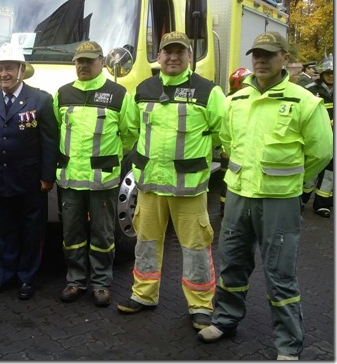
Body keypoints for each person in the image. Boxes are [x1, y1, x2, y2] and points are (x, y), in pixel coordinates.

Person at [197, 32, 333, 360]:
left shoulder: (305, 102)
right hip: (240, 196)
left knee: (280, 274)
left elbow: (322, 152)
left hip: (279, 202)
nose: (260, 60)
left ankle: (288, 345)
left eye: (268, 54)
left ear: (284, 59)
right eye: (256, 54)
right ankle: (226, 319)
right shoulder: (235, 102)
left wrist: (291, 182)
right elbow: (228, 143)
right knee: (232, 263)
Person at [116, 32, 225, 331]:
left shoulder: (208, 91)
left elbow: (221, 133)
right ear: (159, 56)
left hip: (188, 189)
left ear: (189, 56)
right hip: (150, 185)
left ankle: (201, 305)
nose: (173, 57)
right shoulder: (143, 89)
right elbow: (130, 131)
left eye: (180, 51)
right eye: (167, 52)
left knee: (196, 248)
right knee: (146, 244)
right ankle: (143, 295)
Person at [0, 43, 58, 300]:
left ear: (21, 70)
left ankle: (26, 278)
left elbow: (49, 140)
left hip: (31, 180)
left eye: (9, 68)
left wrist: (47, 176)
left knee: (31, 230)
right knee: (5, 229)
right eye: (0, 69)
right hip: (0, 178)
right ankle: (3, 276)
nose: (3, 74)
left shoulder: (41, 99)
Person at [54, 41, 134, 307]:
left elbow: (129, 135)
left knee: (102, 236)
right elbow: (56, 131)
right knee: (72, 235)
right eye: (79, 61)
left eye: (89, 60)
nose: (83, 66)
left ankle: (101, 283)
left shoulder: (118, 94)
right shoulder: (63, 94)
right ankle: (75, 280)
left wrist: (108, 157)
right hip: (71, 180)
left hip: (103, 181)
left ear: (102, 62)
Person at [302, 56, 333, 218]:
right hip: (316, 138)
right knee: (310, 170)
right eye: (328, 73)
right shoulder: (310, 90)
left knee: (330, 174)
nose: (331, 76)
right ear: (322, 74)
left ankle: (323, 204)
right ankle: (301, 199)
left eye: (334, 73)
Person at [218, 67, 252, 216]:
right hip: (230, 149)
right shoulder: (229, 101)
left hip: (238, 148)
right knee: (228, 179)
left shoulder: (246, 99)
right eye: (246, 82)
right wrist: (226, 150)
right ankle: (225, 208)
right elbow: (223, 129)